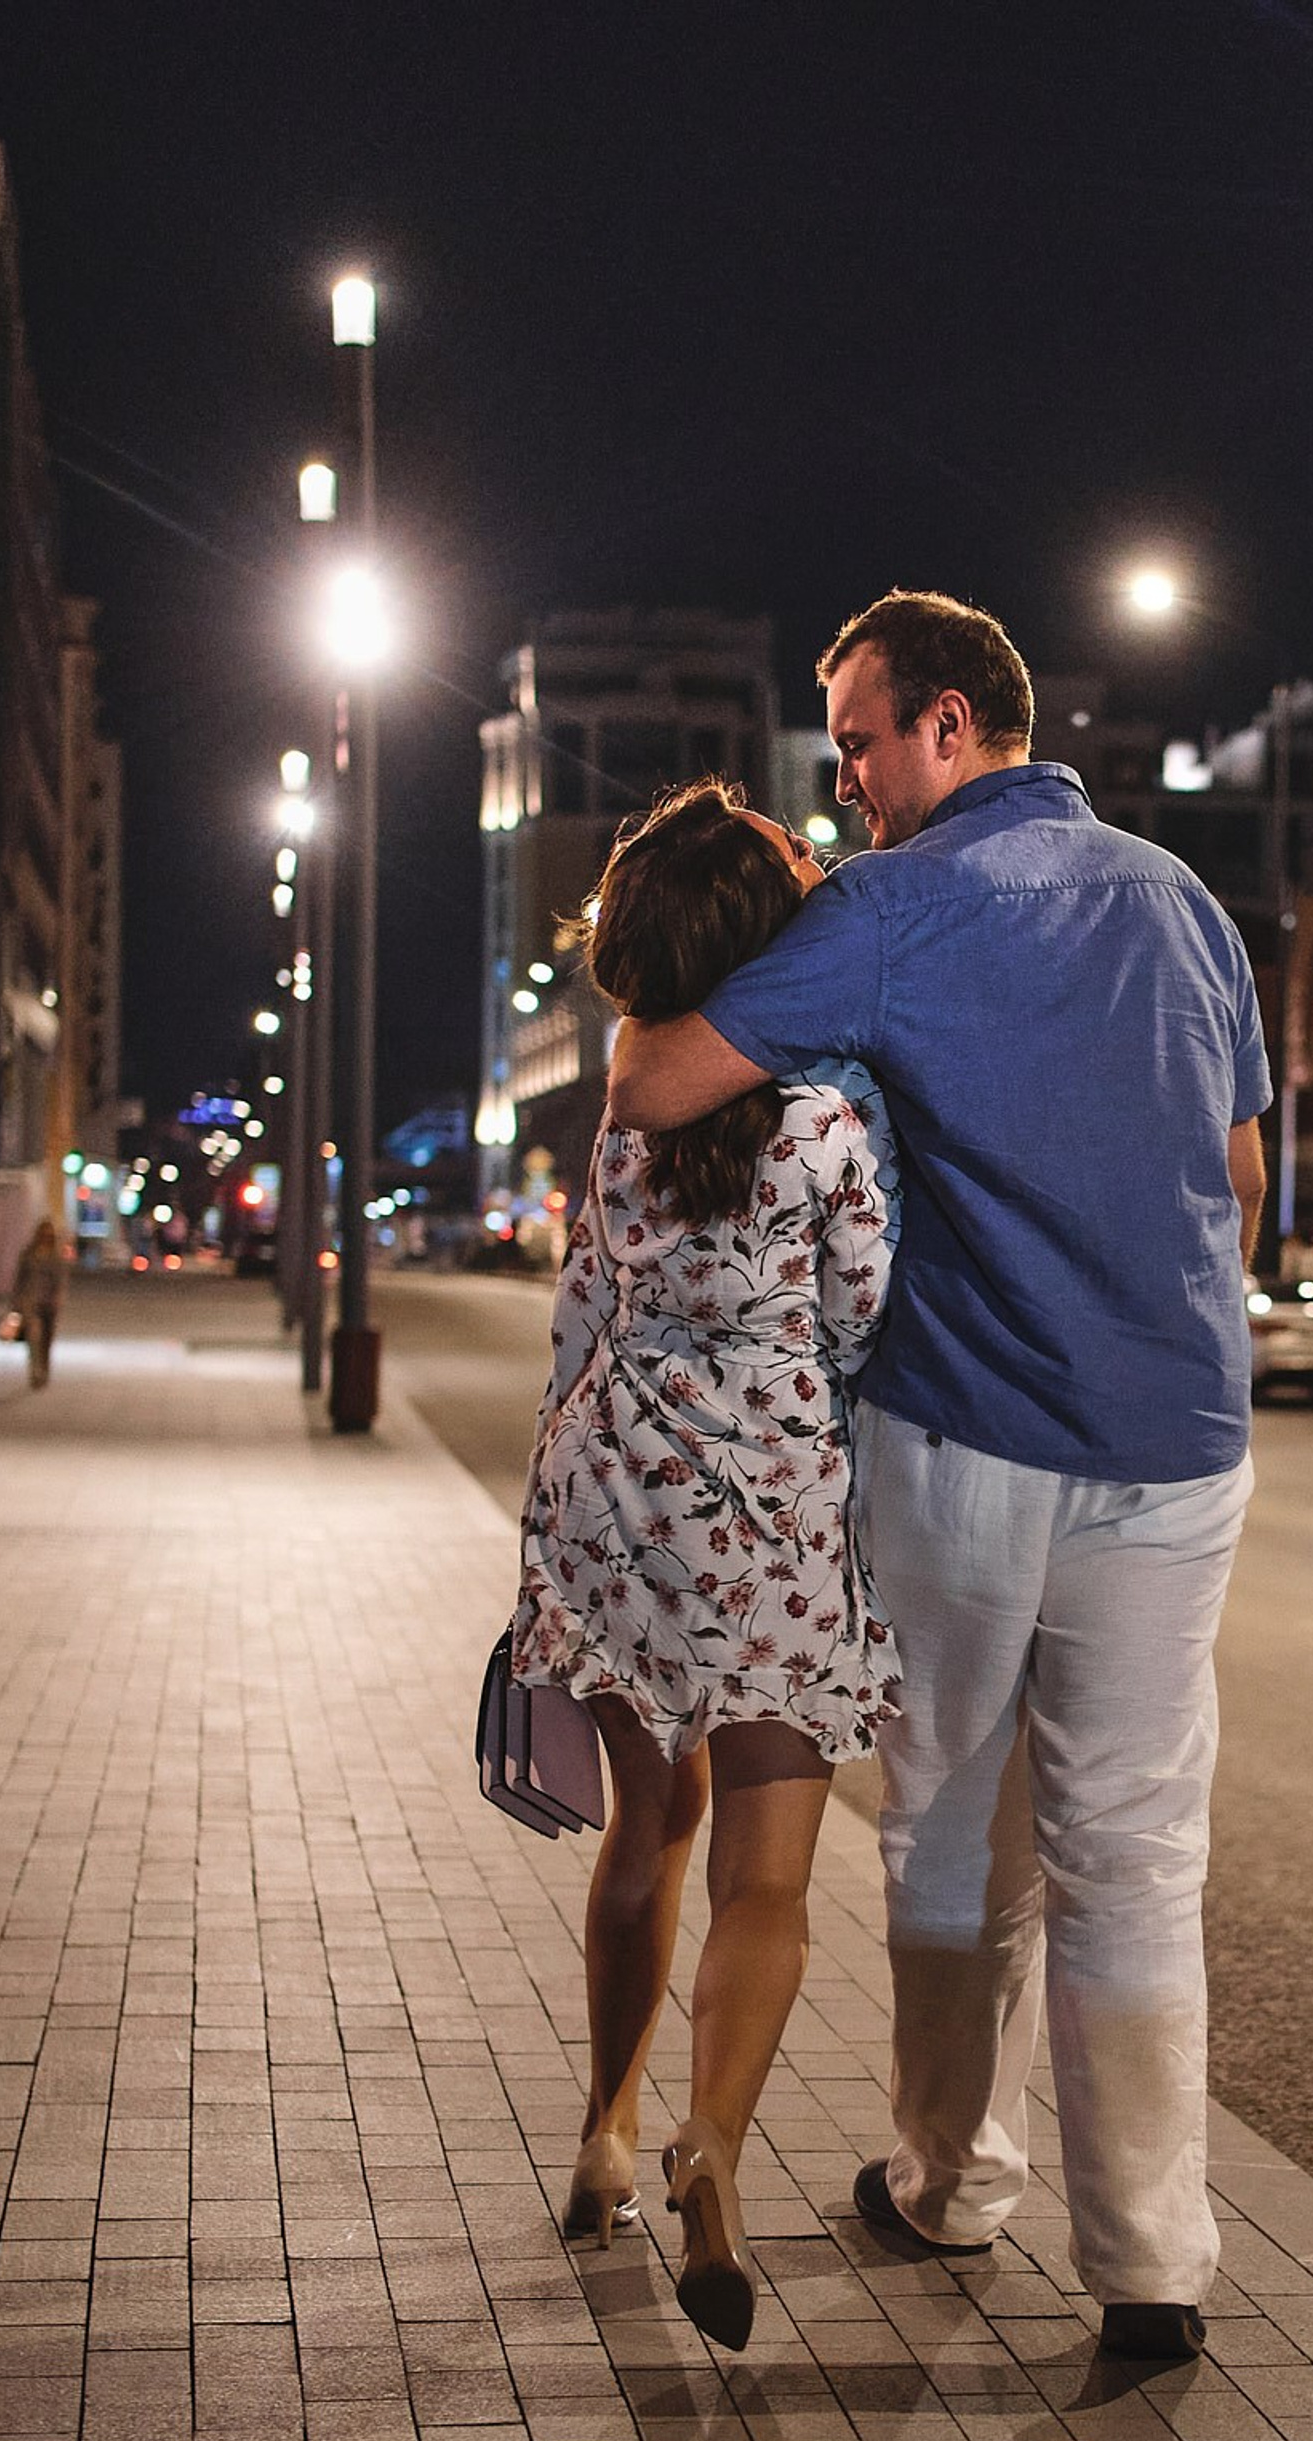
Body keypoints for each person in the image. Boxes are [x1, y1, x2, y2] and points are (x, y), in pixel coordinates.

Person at [609, 590, 1266, 2365]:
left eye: (863, 742)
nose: (848, 788)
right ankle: (1153, 2271)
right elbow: (1241, 1176)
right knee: (1136, 1848)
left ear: (955, 726)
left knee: (954, 1822)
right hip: (1183, 1440)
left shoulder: (893, 913)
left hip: (972, 1429)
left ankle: (952, 2180)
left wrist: (643, 1008)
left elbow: (664, 1078)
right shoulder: (1182, 899)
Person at [511, 780, 901, 2353]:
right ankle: (715, 2148)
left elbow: (576, 1321)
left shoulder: (619, 1128)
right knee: (770, 1872)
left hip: (620, 1503)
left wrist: (550, 1527)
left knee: (641, 1836)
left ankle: (608, 2125)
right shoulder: (824, 1129)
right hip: (779, 1524)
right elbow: (864, 1320)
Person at [12, 1218, 66, 1388]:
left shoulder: (55, 1256)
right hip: (30, 1301)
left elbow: (60, 1280)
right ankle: (35, 1370)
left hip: (48, 1303)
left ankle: (44, 1367)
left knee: (46, 1339)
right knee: (33, 1337)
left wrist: (58, 1298)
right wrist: (16, 1303)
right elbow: (19, 1279)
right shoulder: (28, 1254)